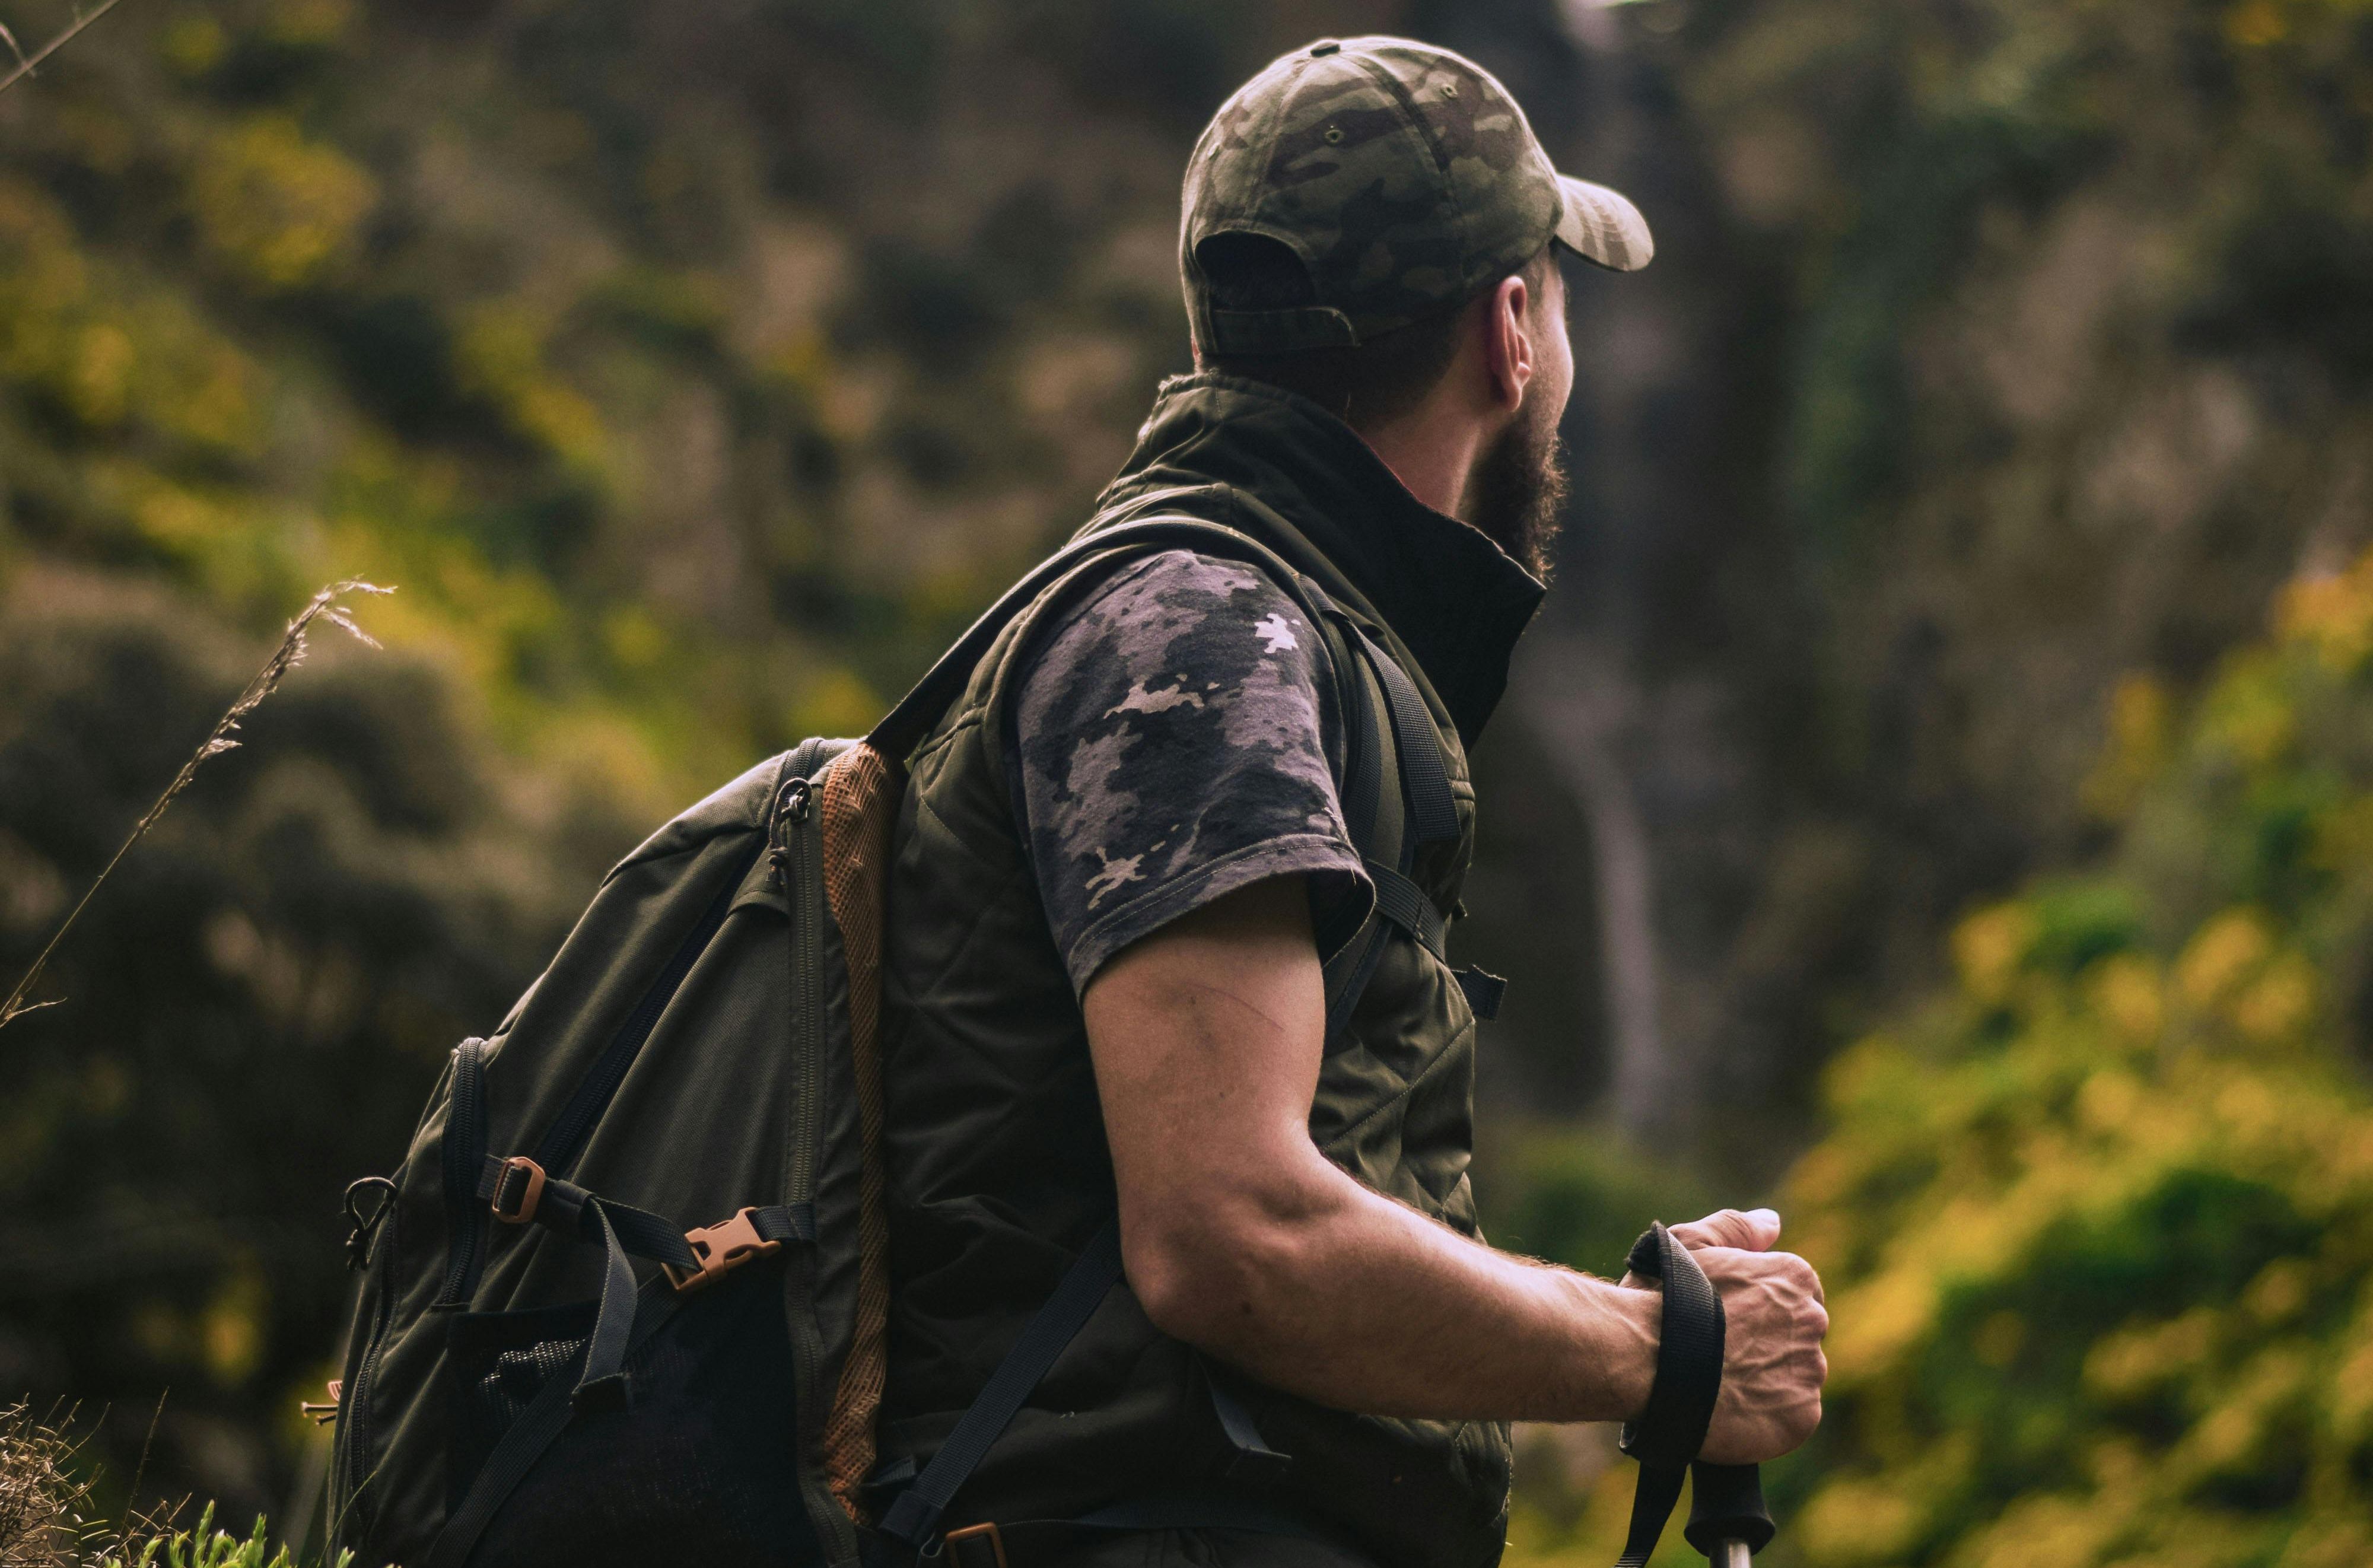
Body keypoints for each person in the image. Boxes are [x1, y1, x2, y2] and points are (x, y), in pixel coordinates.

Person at [877, 36, 1827, 1568]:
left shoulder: (1242, 620)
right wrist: (1663, 1349)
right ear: (1511, 332)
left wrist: (1619, 1314)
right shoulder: (1209, 632)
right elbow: (1227, 1233)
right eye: (1559, 304)